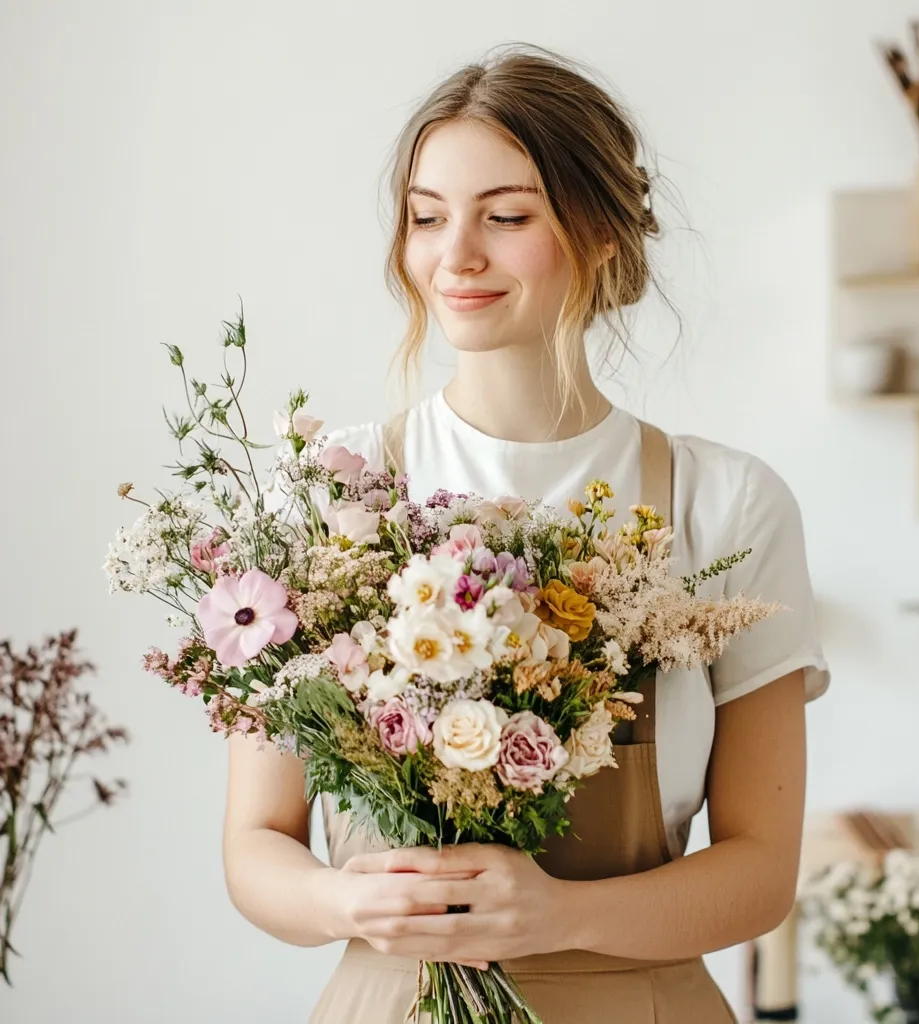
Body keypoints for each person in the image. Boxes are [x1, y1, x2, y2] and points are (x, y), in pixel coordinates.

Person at [222, 43, 830, 1024]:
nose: (454, 255)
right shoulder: (333, 493)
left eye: (504, 217)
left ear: (599, 231)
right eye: (426, 217)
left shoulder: (723, 504)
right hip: (392, 1000)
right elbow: (256, 842)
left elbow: (759, 873)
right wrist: (349, 899)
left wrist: (553, 913)